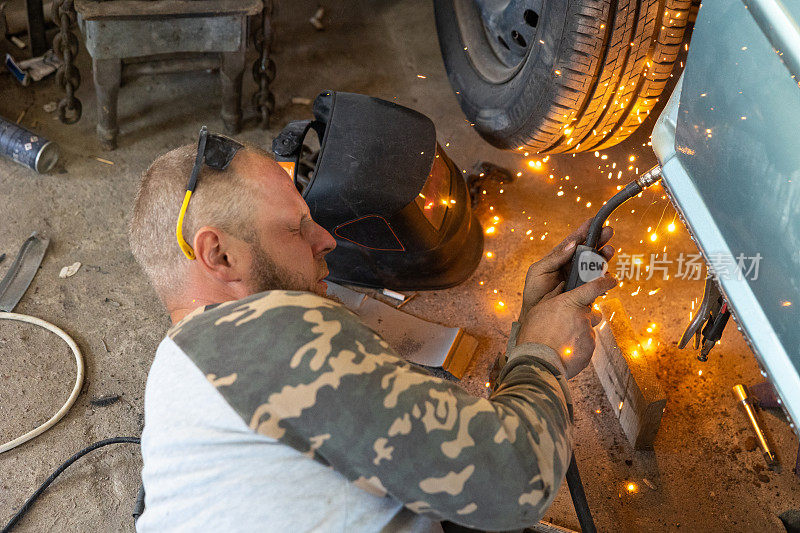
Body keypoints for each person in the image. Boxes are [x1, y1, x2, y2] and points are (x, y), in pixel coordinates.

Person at [128, 131, 617, 532]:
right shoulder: (266, 333)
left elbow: (429, 445)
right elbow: (514, 478)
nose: (326, 239)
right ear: (220, 256)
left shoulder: (181, 375)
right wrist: (540, 353)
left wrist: (527, 336)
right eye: (296, 228)